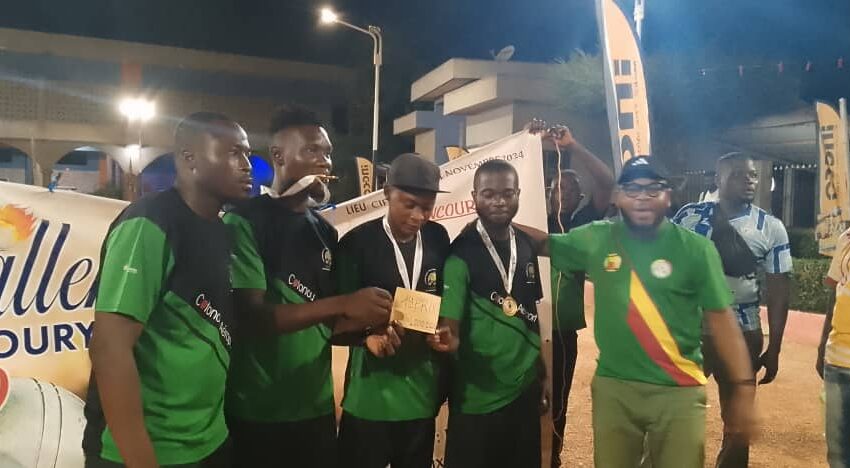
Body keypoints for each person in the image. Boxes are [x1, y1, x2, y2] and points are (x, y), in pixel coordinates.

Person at [520, 156, 757, 468]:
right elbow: (544, 244)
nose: (642, 198)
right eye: (632, 189)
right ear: (618, 196)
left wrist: (742, 389)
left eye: (653, 189)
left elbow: (723, 321)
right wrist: (487, 219)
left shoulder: (697, 250)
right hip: (615, 390)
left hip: (679, 391)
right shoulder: (598, 237)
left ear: (668, 195)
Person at [223, 106, 391, 468]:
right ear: (279, 155)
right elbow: (252, 318)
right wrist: (344, 302)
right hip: (258, 410)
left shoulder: (324, 230)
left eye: (327, 153)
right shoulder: (245, 221)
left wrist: (367, 334)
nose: (324, 162)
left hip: (315, 409)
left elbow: (325, 324)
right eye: (312, 150)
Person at [83, 112, 254, 467]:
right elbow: (110, 349)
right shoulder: (149, 223)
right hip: (149, 451)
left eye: (248, 154)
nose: (247, 166)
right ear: (190, 158)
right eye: (234, 153)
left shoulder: (221, 231)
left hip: (209, 441)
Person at [334, 153, 458, 468]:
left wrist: (443, 329)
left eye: (427, 207)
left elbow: (444, 298)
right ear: (387, 193)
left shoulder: (438, 238)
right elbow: (333, 320)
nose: (419, 216)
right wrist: (366, 337)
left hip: (420, 394)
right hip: (369, 397)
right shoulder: (356, 243)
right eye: (410, 204)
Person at [673, 152, 791, 467]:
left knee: (739, 425)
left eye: (752, 175)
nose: (748, 180)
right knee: (675, 410)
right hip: (690, 330)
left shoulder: (770, 227)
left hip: (744, 332)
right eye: (738, 174)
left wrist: (775, 347)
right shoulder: (689, 217)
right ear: (718, 179)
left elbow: (779, 289)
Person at [440, 159, 546, 468]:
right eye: (488, 194)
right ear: (474, 197)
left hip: (524, 389)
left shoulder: (526, 246)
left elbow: (531, 317)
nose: (499, 201)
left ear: (518, 195)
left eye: (507, 193)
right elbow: (450, 325)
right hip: (477, 395)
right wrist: (449, 339)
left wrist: (543, 375)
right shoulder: (460, 253)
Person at [539, 122, 615, 468]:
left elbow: (607, 183)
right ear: (549, 192)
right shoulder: (535, 220)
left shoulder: (585, 223)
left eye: (571, 188)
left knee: (557, 402)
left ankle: (552, 457)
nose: (563, 192)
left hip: (563, 330)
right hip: (528, 327)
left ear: (580, 196)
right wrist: (530, 143)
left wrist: (573, 146)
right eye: (558, 187)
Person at [817, 227, 850, 467]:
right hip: (837, 359)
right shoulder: (846, 238)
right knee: (837, 454)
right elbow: (835, 292)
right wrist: (822, 345)